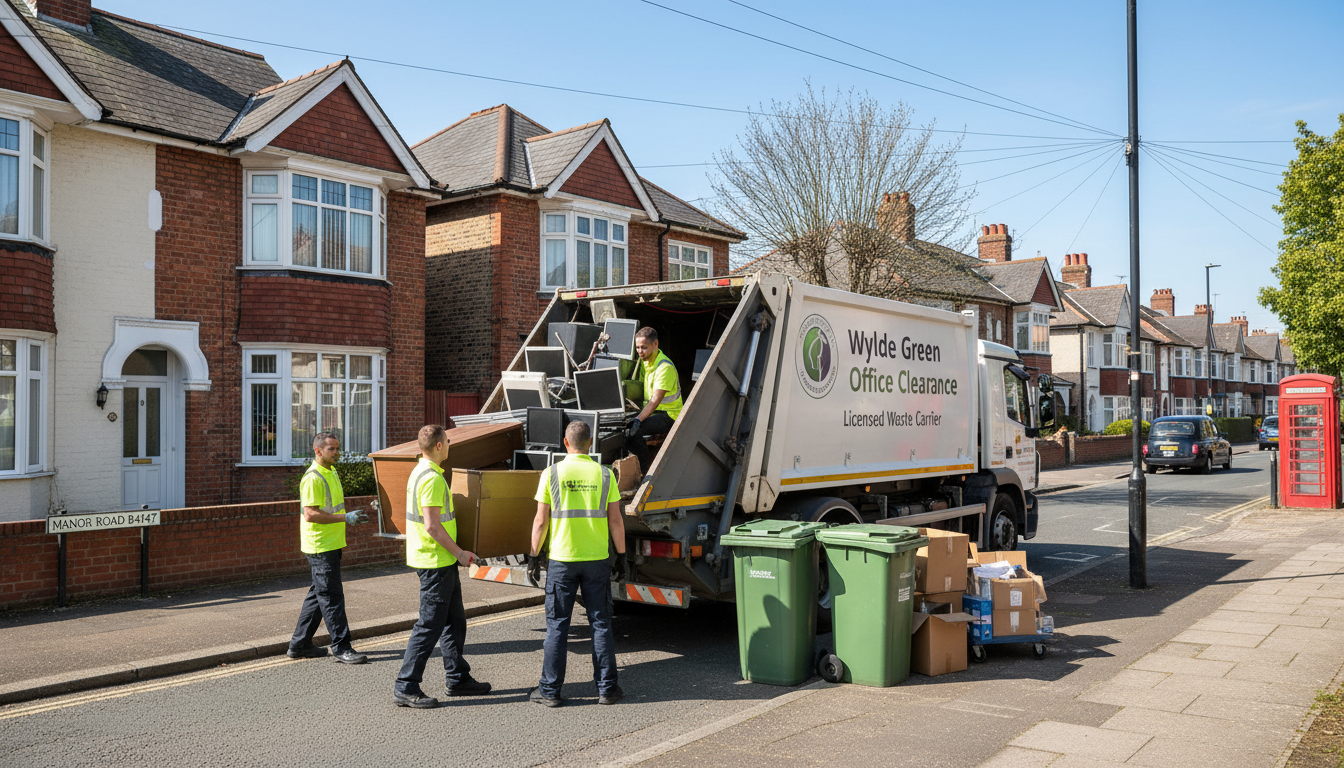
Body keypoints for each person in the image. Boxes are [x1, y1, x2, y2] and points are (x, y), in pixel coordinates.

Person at [528, 419, 627, 707]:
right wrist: (620, 554)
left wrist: (534, 555)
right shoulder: (606, 474)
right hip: (597, 559)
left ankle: (550, 691)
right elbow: (616, 519)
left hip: (562, 559)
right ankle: (607, 689)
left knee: (557, 625)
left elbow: (540, 520)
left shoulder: (551, 473)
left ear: (565, 442)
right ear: (591, 443)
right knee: (600, 623)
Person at [393, 424, 492, 709]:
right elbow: (433, 526)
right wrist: (461, 553)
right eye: (447, 441)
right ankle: (406, 685)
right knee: (429, 625)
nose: (449, 445)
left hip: (438, 560)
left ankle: (458, 678)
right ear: (438, 446)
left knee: (454, 621)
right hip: (436, 561)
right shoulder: (432, 479)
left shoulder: (421, 472)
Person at [288, 432, 369, 664]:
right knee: (331, 596)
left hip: (330, 544)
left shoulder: (330, 472)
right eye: (331, 449)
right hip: (320, 546)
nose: (336, 452)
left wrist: (349, 517)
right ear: (318, 450)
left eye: (337, 448)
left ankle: (300, 644)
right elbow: (310, 513)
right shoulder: (313, 477)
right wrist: (346, 518)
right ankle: (342, 647)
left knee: (319, 594)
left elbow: (330, 509)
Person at [623, 327, 683, 474]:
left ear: (655, 344)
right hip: (654, 412)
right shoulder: (646, 361)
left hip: (669, 415)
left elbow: (655, 399)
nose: (640, 351)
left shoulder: (664, 367)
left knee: (633, 431)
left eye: (644, 347)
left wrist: (638, 419)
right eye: (637, 347)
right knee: (622, 427)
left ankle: (644, 473)